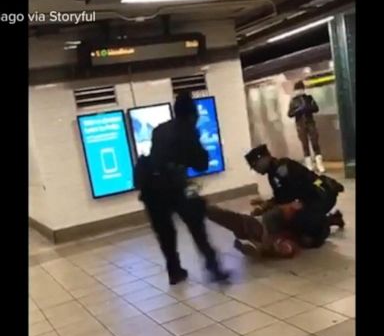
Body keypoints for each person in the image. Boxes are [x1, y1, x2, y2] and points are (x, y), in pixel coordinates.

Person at [134, 92, 230, 285]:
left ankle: (174, 271)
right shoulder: (188, 130)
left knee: (165, 233)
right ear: (192, 114)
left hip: (151, 191)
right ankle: (213, 267)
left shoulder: (160, 130)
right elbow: (201, 163)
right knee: (197, 226)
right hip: (174, 188)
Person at [244, 144, 345, 248]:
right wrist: (263, 206)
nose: (255, 169)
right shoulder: (273, 173)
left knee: (306, 239)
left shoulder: (283, 169)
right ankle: (329, 219)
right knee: (289, 218)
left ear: (264, 159)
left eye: (255, 165)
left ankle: (324, 225)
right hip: (312, 198)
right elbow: (282, 197)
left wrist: (272, 207)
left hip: (322, 195)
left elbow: (296, 195)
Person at [288, 80, 325, 173]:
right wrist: (298, 110)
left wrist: (308, 108)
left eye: (300, 89)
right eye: (297, 89)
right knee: (305, 145)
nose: (299, 91)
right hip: (300, 125)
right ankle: (309, 165)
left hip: (310, 123)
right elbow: (290, 114)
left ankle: (319, 164)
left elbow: (316, 108)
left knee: (315, 143)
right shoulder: (293, 101)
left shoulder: (309, 98)